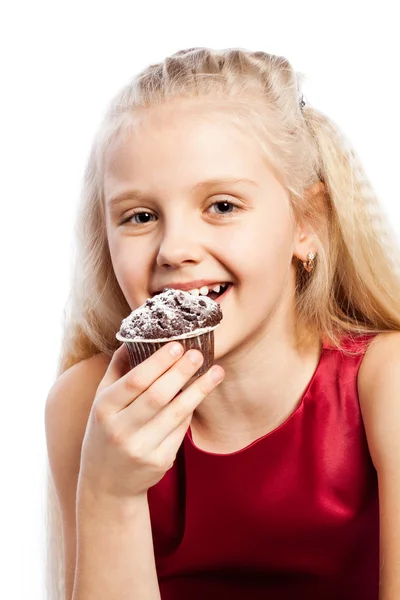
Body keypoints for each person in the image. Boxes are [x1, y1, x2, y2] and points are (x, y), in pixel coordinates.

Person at [44, 47, 400, 600]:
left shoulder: (385, 385)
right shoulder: (86, 404)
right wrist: (110, 493)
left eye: (222, 206)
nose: (175, 249)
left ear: (308, 225)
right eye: (140, 216)